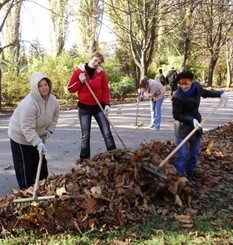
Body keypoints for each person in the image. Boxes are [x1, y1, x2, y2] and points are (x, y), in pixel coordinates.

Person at [172, 70, 228, 180]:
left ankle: (190, 177)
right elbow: (176, 115)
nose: (183, 86)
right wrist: (191, 120)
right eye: (181, 84)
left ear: (191, 81)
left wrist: (220, 93)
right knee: (182, 155)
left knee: (194, 154)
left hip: (196, 126)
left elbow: (206, 93)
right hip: (182, 127)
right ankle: (178, 179)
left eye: (186, 83)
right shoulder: (177, 97)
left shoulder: (196, 87)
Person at [8, 72, 60, 190]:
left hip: (38, 135)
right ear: (35, 88)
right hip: (20, 136)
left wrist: (50, 130)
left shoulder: (52, 100)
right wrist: (37, 143)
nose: (44, 87)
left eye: (45, 84)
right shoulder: (29, 104)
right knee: (25, 165)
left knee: (40, 164)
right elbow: (26, 128)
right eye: (40, 86)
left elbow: (56, 114)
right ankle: (26, 191)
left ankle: (41, 187)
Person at [67, 52, 116, 163]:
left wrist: (107, 104)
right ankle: (84, 159)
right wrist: (80, 81)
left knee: (107, 133)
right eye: (95, 60)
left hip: (99, 106)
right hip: (84, 108)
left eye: (99, 62)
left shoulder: (101, 73)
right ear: (90, 59)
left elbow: (105, 90)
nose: (96, 63)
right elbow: (70, 89)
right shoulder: (78, 71)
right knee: (85, 135)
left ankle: (114, 155)